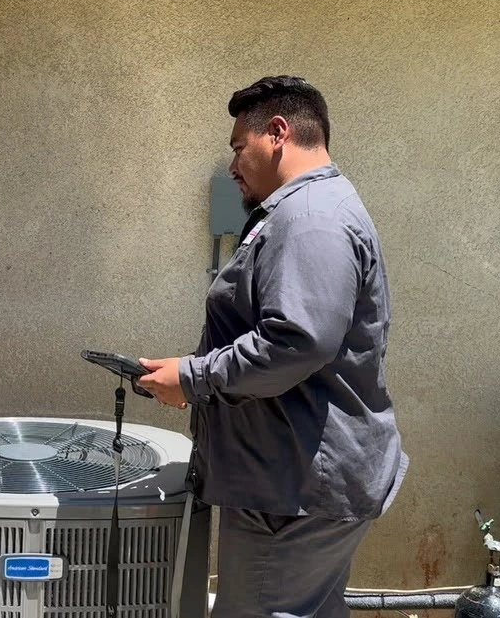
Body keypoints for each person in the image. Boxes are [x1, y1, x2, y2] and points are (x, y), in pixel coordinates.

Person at [137, 76, 408, 618]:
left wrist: (193, 378)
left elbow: (296, 342)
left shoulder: (310, 219)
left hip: (294, 494)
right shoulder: (305, 211)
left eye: (240, 147)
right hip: (293, 482)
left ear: (278, 133)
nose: (233, 166)